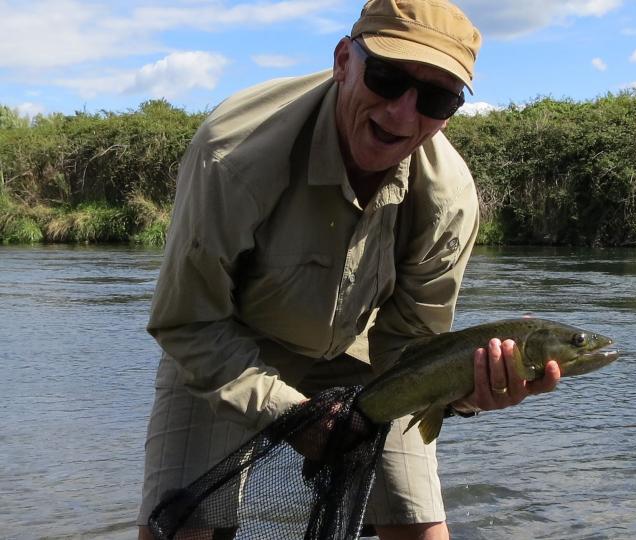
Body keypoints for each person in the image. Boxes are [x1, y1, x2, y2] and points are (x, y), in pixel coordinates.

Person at [137, 0, 560, 538]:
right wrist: (295, 416)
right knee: (181, 526)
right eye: (385, 78)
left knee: (418, 527)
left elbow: (409, 348)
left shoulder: (449, 197)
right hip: (226, 344)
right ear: (343, 61)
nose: (403, 114)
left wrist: (465, 393)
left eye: (435, 97)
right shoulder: (233, 154)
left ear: (452, 110)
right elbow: (188, 322)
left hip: (362, 357)